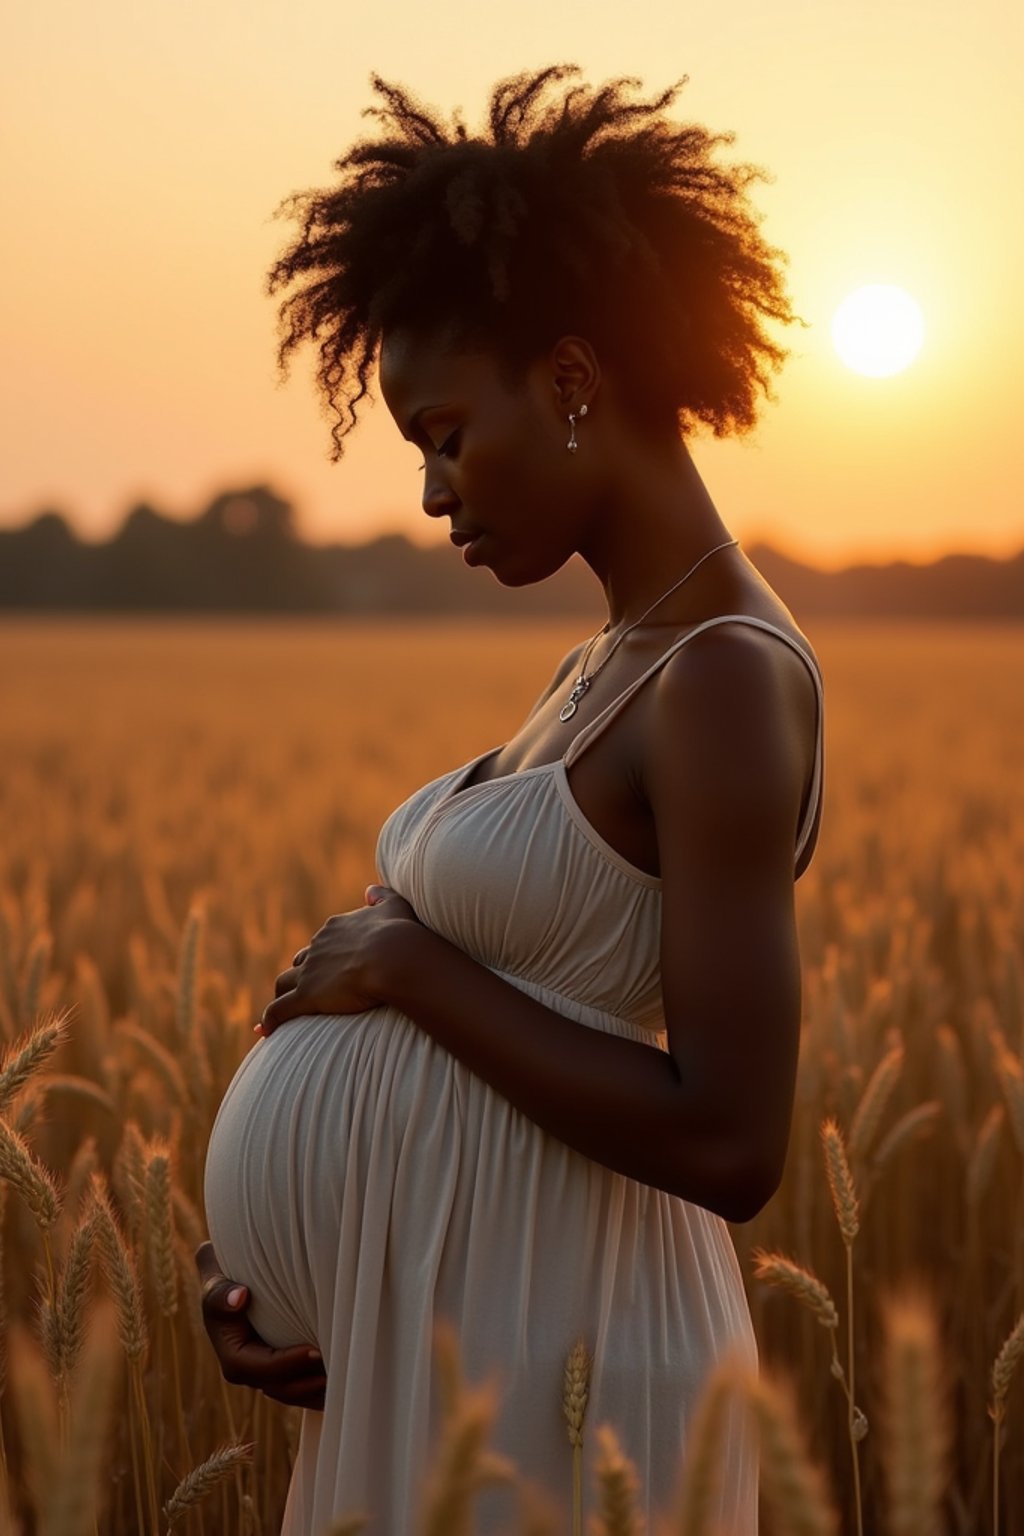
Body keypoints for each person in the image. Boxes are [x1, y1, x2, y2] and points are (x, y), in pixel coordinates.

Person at [197, 64, 824, 1534]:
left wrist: (407, 968)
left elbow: (734, 1142)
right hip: (445, 1341)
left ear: (569, 379)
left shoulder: (725, 679)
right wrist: (262, 1277)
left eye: (444, 432)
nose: (431, 494)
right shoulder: (609, 659)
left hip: (579, 1370)